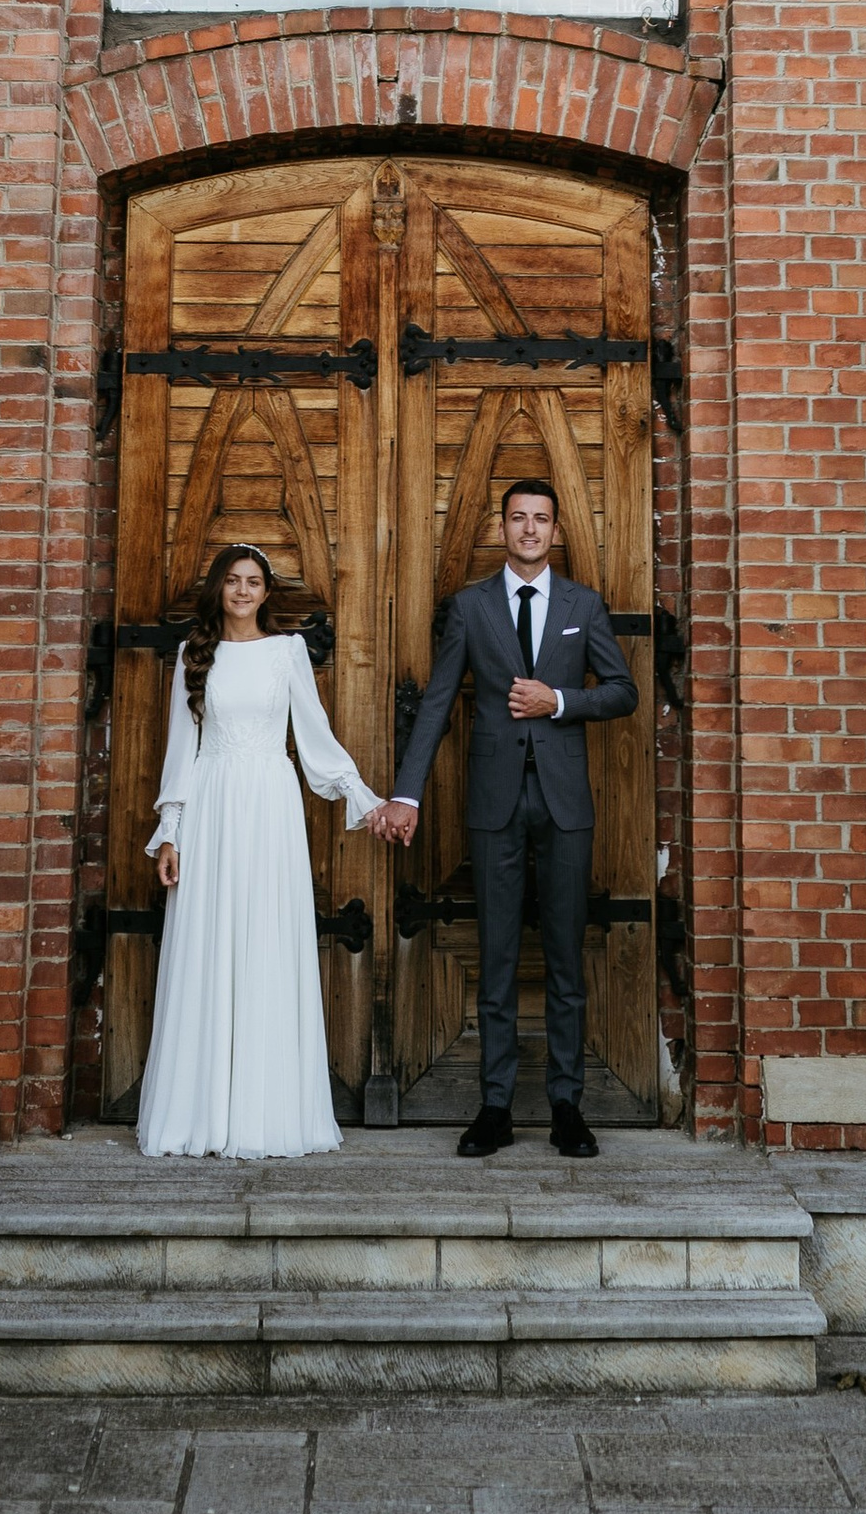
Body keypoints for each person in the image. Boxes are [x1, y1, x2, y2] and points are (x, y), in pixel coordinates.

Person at [368, 477, 637, 1158]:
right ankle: (495, 1108)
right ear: (502, 529)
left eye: (541, 519)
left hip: (565, 802)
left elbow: (623, 691)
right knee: (496, 957)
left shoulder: (583, 604)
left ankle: (567, 1107)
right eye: (518, 518)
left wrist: (560, 701)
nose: (529, 529)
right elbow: (437, 702)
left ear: (556, 531)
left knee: (566, 958)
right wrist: (407, 793)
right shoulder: (470, 606)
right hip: (494, 802)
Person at [135, 539, 381, 1157]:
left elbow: (314, 735)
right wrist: (171, 832)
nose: (242, 591)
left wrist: (360, 795)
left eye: (253, 582)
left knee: (266, 938)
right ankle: (201, 1113)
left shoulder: (287, 652)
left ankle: (265, 1113)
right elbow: (181, 750)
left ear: (266, 593)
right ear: (219, 589)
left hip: (270, 806)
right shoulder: (194, 655)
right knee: (210, 941)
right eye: (233, 581)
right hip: (213, 804)